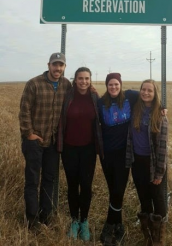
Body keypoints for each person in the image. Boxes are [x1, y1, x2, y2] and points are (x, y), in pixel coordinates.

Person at [19, 52, 72, 231]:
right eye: (55, 64)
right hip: (34, 142)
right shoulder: (34, 83)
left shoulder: (66, 84)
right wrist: (29, 134)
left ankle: (46, 217)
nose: (58, 68)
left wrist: (93, 91)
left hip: (53, 142)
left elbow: (80, 97)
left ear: (64, 67)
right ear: (48, 65)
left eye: (61, 65)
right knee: (32, 181)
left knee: (49, 179)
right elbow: (24, 110)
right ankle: (32, 221)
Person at [57, 67, 103, 241]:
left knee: (86, 186)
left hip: (88, 150)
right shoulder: (67, 96)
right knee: (72, 185)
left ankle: (84, 221)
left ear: (90, 80)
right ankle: (74, 220)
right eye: (80, 78)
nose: (83, 81)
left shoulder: (94, 97)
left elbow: (108, 107)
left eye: (86, 78)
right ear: (75, 80)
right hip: (69, 149)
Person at [97, 73, 139, 246]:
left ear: (121, 85)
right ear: (106, 86)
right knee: (113, 189)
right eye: (110, 85)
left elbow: (150, 95)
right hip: (106, 154)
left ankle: (110, 225)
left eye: (116, 84)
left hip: (124, 153)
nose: (113, 87)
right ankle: (118, 224)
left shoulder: (130, 97)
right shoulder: (100, 102)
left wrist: (162, 107)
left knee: (118, 190)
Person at [126, 79, 168, 246]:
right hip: (138, 162)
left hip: (154, 163)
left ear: (155, 93)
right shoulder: (136, 108)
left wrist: (159, 172)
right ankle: (148, 236)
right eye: (143, 90)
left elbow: (163, 148)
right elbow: (127, 92)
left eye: (150, 91)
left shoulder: (160, 115)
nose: (145, 93)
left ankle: (158, 239)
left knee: (157, 199)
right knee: (143, 198)